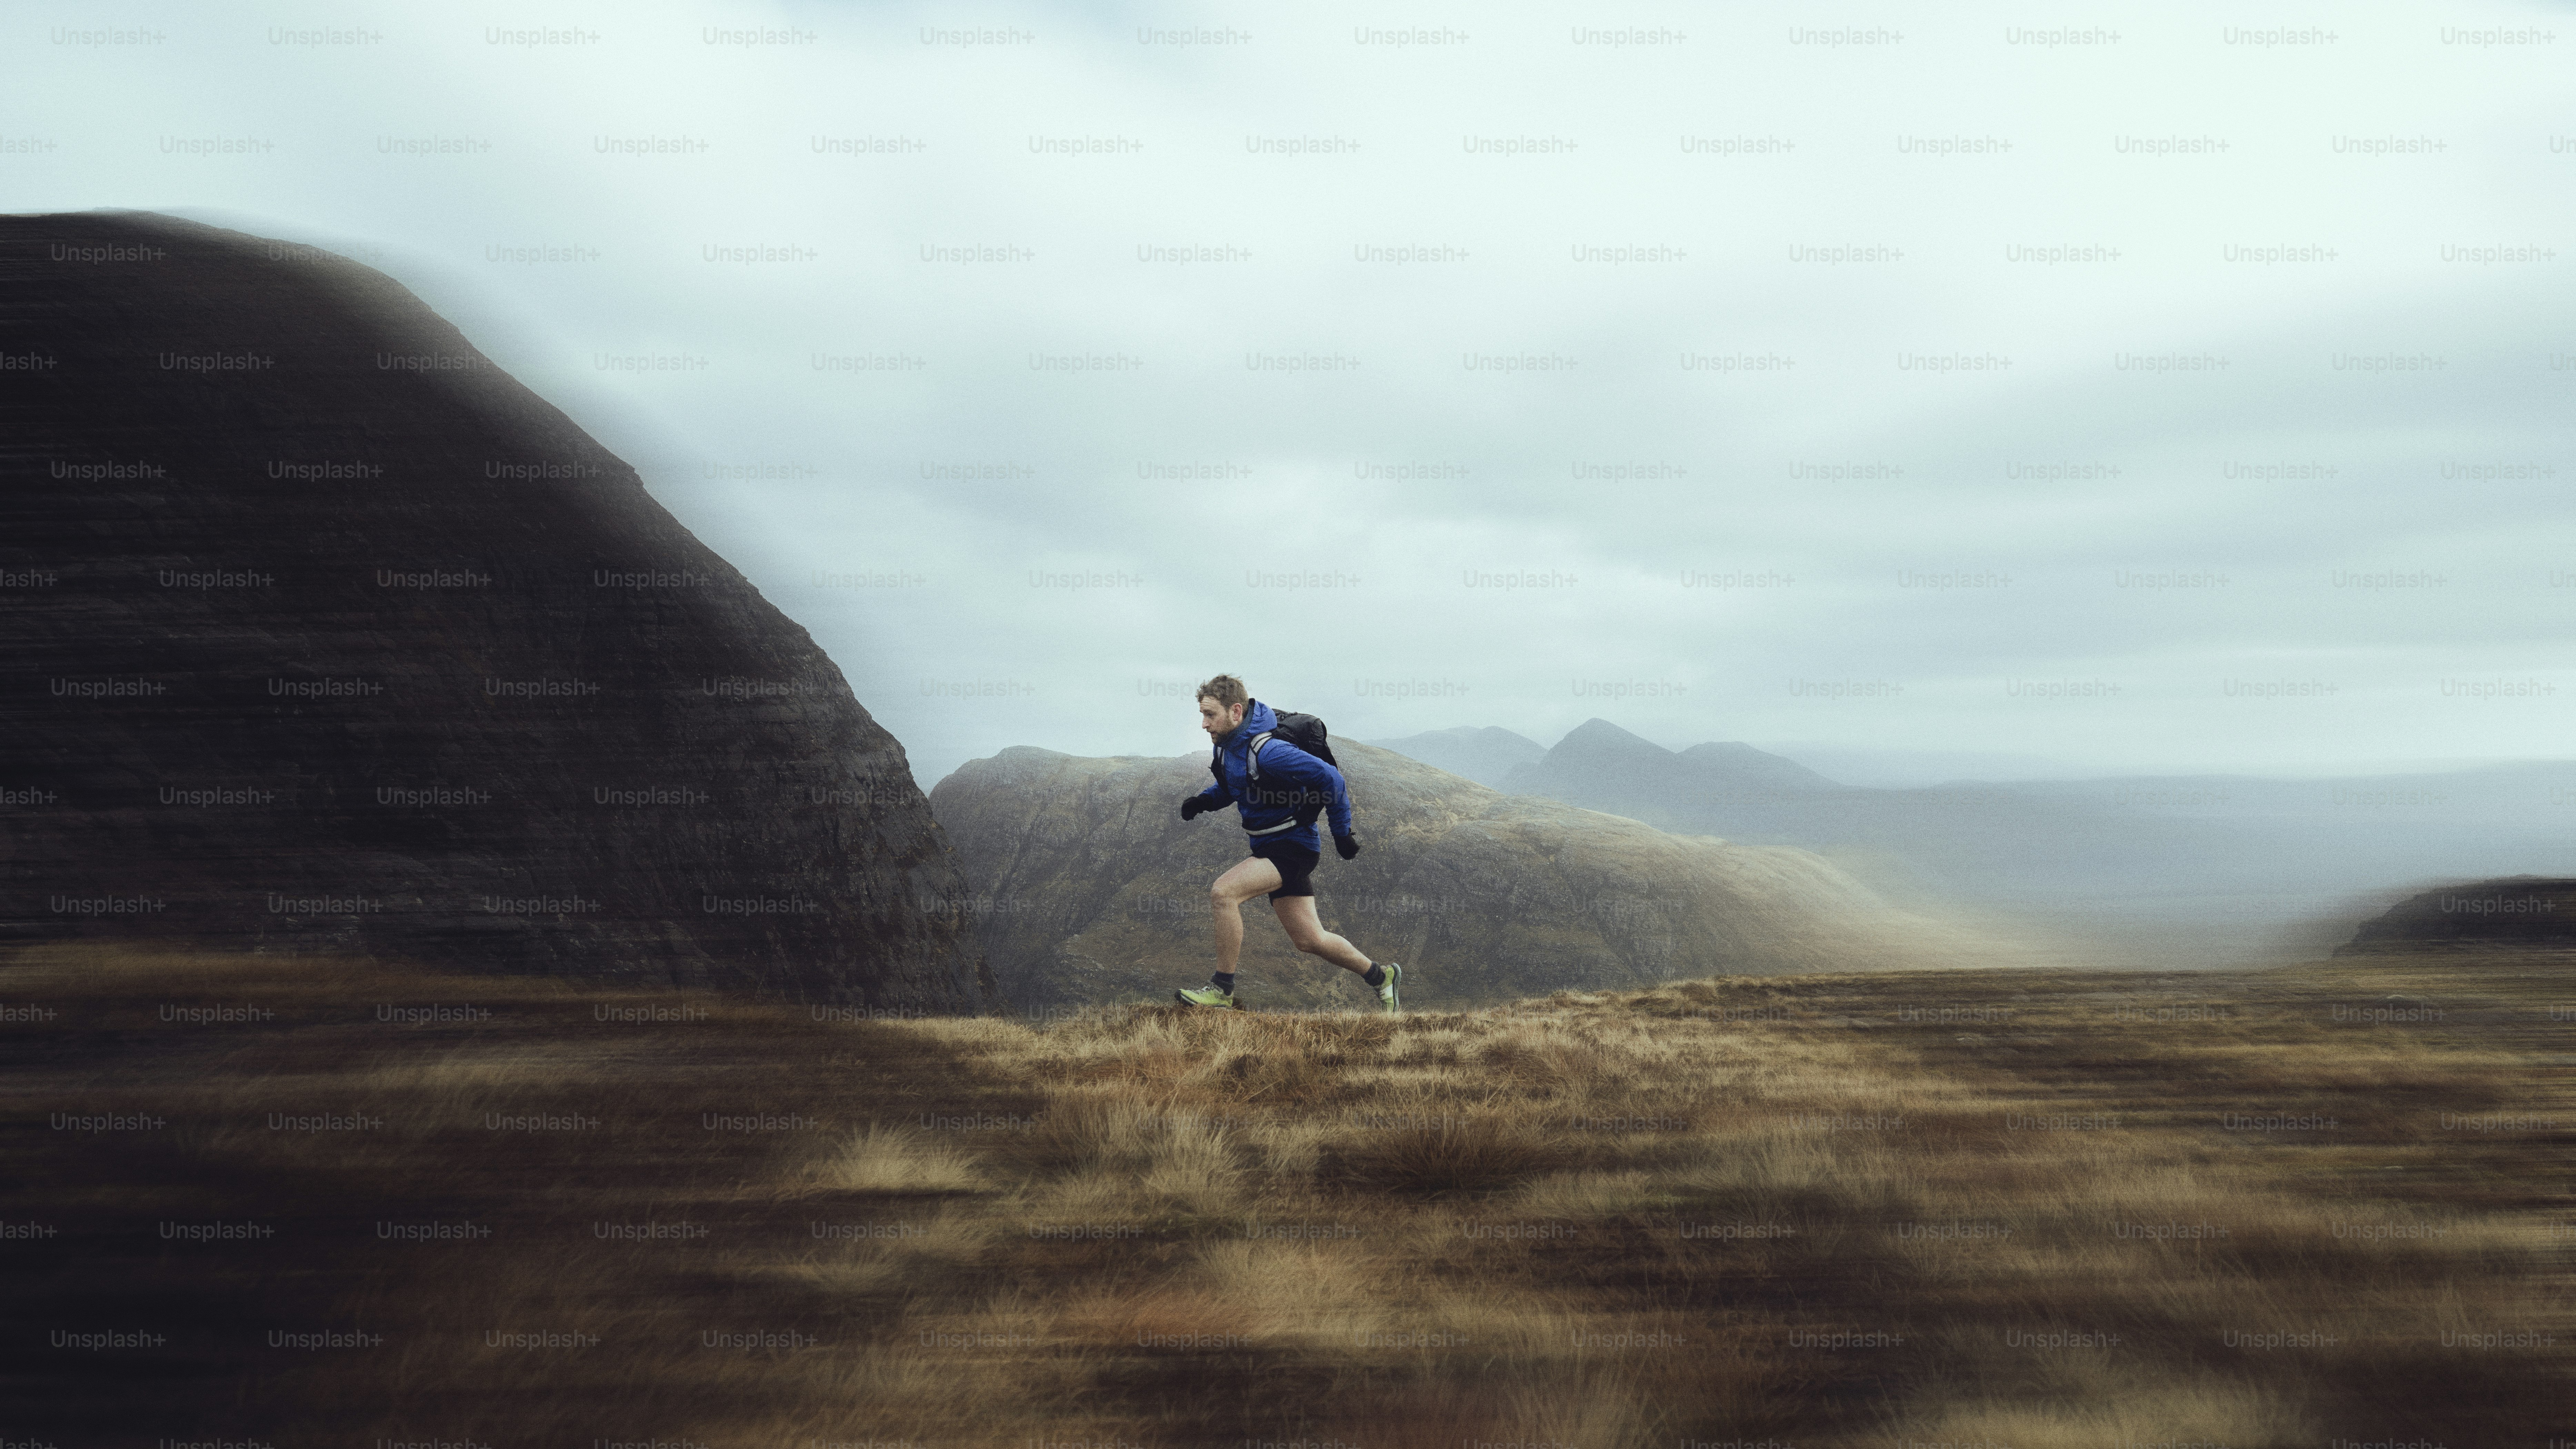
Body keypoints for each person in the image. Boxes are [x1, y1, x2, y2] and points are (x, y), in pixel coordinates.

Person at [1171, 674, 1403, 1013]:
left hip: (1294, 847)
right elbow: (1236, 786)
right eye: (1203, 715)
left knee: (1224, 893)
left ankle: (1221, 990)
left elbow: (1331, 778)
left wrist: (1342, 834)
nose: (1204, 724)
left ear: (1235, 711)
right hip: (1269, 847)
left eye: (1210, 715)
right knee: (1310, 939)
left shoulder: (1269, 752)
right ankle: (1382, 977)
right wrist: (1204, 801)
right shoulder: (1226, 746)